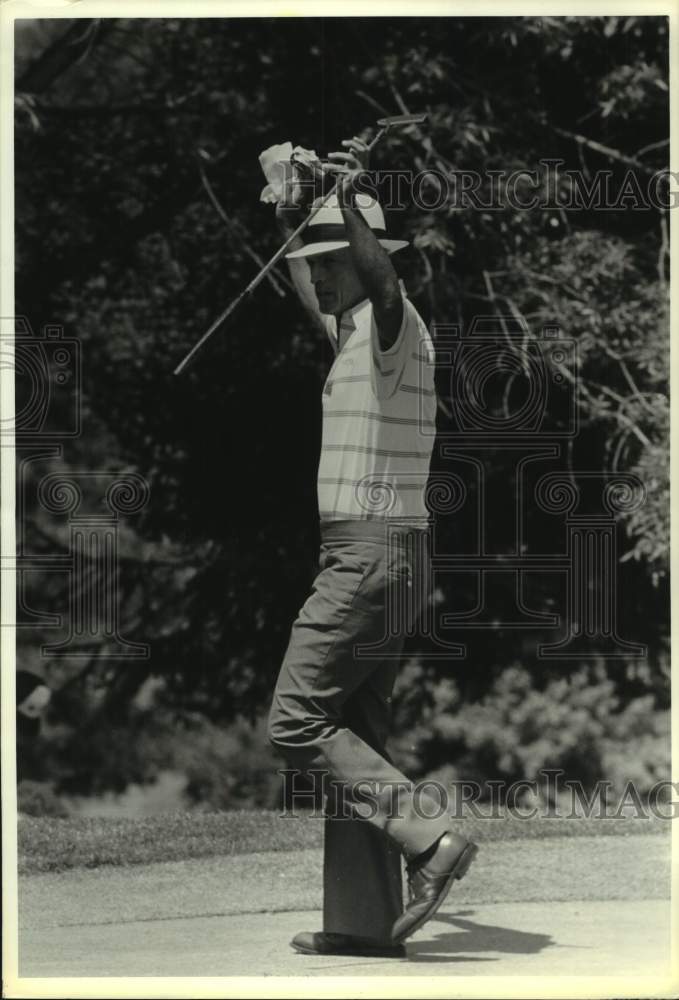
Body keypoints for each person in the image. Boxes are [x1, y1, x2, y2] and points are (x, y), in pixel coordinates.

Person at [267, 136, 478, 958]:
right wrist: (295, 214)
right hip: (378, 556)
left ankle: (429, 839)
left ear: (364, 260)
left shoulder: (395, 325)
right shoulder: (352, 337)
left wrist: (345, 201)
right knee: (355, 728)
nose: (320, 271)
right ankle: (362, 924)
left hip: (371, 554)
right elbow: (297, 279)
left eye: (332, 258)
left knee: (293, 721)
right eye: (317, 259)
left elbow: (386, 279)